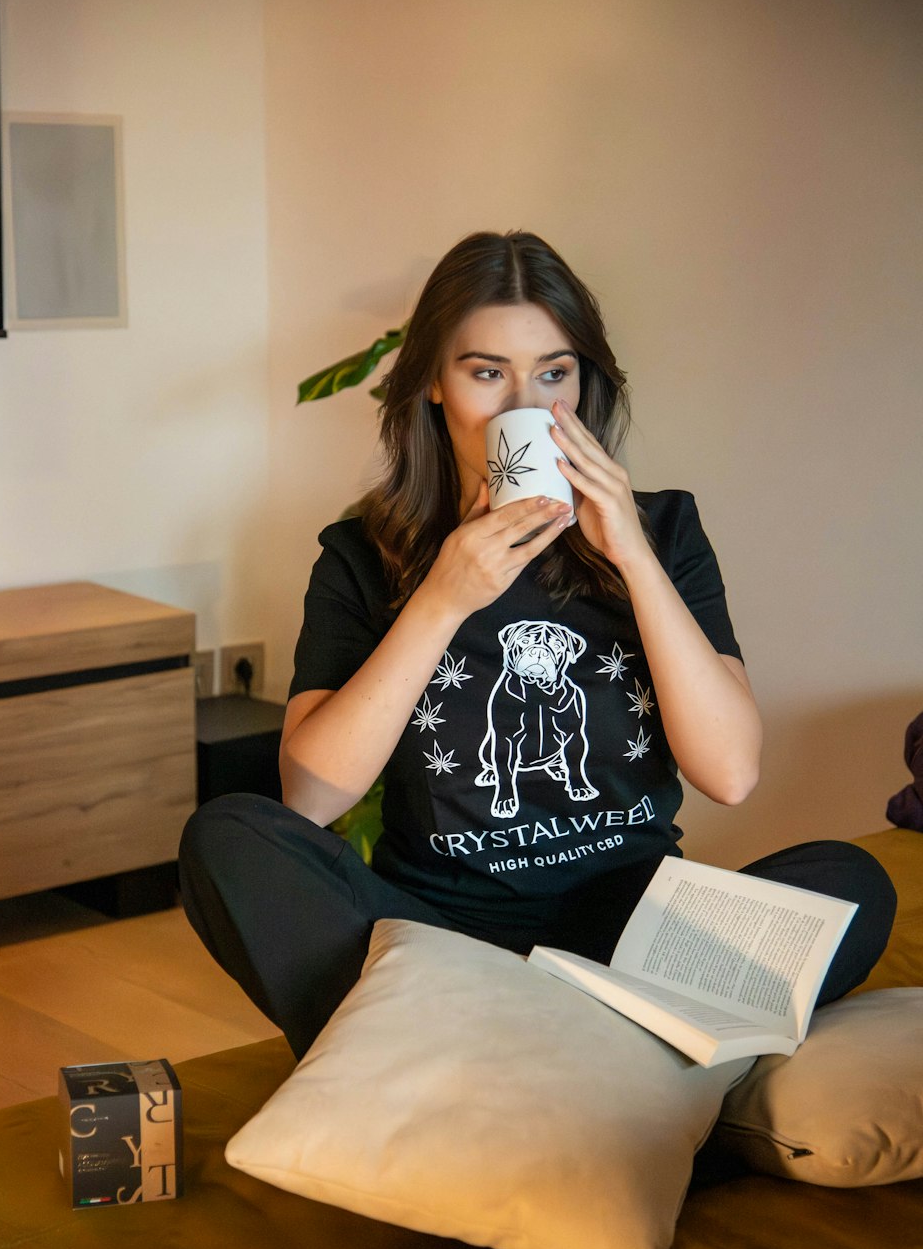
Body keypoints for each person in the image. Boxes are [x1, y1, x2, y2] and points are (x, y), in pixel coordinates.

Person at [180, 230, 896, 1059]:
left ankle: (491, 1056)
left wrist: (629, 552)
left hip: (635, 929)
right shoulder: (361, 558)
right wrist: (441, 599)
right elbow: (308, 798)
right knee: (228, 836)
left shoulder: (662, 530)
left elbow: (730, 774)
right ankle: (616, 1054)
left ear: (585, 384)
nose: (527, 404)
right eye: (487, 374)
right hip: (445, 942)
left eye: (553, 373)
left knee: (849, 884)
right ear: (435, 388)